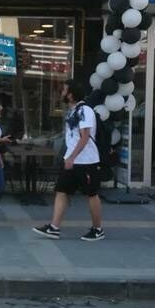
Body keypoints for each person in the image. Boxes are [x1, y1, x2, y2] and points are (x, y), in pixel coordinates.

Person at [33, 80, 105, 241]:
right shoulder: (73, 111)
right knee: (61, 191)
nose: (62, 93)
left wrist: (72, 157)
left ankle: (98, 229)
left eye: (64, 90)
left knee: (91, 194)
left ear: (71, 93)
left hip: (86, 161)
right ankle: (54, 227)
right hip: (71, 161)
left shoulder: (85, 110)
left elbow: (85, 136)